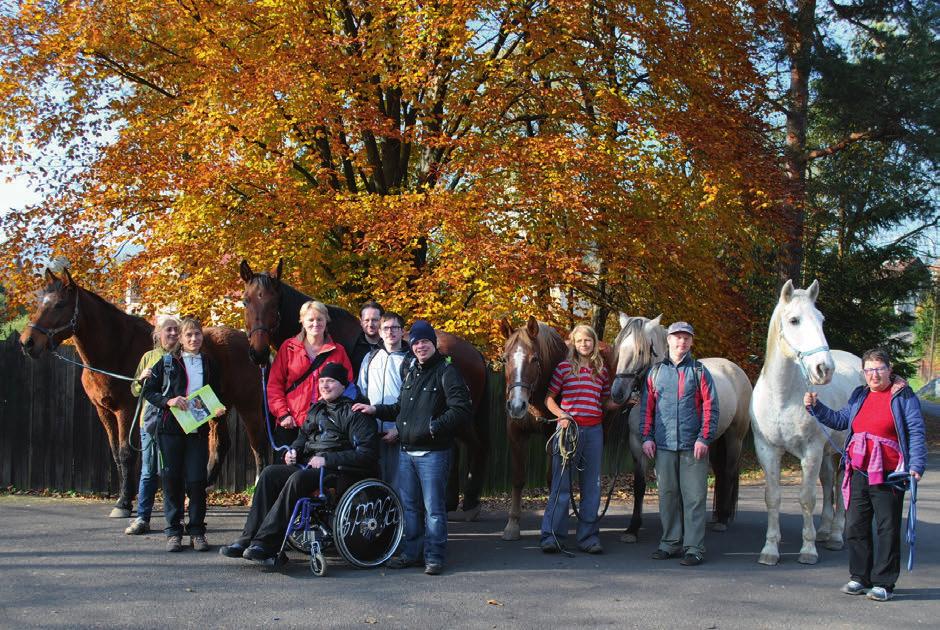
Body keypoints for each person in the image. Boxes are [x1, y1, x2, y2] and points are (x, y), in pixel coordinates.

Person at [219, 363, 379, 563]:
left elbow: (367, 454)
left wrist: (327, 459)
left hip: (338, 471)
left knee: (298, 478)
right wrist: (293, 450)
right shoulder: (316, 410)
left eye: (330, 381)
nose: (325, 386)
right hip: (310, 466)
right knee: (269, 473)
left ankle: (267, 543)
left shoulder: (356, 413)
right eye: (321, 381)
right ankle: (248, 538)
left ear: (343, 385)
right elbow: (302, 438)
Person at [804, 348, 926, 602]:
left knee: (887, 528)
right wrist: (816, 407)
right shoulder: (859, 395)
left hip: (890, 473)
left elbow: (915, 430)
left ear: (889, 370)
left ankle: (884, 583)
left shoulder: (903, 396)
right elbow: (839, 420)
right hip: (859, 469)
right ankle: (860, 577)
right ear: (864, 373)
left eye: (879, 369)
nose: (874, 375)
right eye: (869, 370)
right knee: (856, 525)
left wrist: (916, 464)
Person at [354, 320, 471, 575]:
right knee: (410, 506)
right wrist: (374, 409)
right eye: (416, 342)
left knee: (434, 509)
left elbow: (461, 409)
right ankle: (411, 552)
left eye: (425, 342)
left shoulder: (446, 371)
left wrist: (433, 427)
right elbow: (400, 409)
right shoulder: (412, 372)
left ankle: (434, 556)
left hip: (433, 454)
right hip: (407, 451)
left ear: (433, 344)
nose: (420, 346)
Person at [142, 317, 226, 552]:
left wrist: (218, 409)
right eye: (188, 335)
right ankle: (173, 533)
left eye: (197, 334)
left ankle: (197, 532)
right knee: (172, 482)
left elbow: (216, 394)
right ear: (180, 338)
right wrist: (169, 401)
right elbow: (149, 391)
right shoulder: (167, 362)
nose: (193, 339)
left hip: (197, 432)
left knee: (197, 482)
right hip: (169, 431)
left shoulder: (209, 363)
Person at [640, 321, 718, 566]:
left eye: (686, 338)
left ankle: (694, 547)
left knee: (694, 497)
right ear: (668, 341)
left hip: (692, 446)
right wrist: (647, 437)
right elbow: (647, 409)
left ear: (691, 342)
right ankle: (670, 543)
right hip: (663, 446)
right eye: (677, 337)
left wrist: (704, 438)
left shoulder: (699, 371)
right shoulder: (655, 373)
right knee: (667, 495)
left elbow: (710, 407)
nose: (681, 341)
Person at [540, 324, 612, 555]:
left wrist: (625, 402)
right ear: (573, 343)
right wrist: (562, 415)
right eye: (579, 341)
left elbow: (606, 401)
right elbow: (549, 399)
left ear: (594, 343)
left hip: (594, 433)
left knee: (592, 487)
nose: (584, 344)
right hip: (569, 431)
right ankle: (551, 536)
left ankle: (588, 539)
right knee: (561, 486)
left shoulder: (601, 371)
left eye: (588, 341)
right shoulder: (563, 368)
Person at [266, 301, 353, 462]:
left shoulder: (338, 351)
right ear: (302, 321)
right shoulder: (288, 347)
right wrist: (283, 413)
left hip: (323, 425)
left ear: (326, 321)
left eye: (320, 319)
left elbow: (348, 385)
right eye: (310, 320)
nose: (315, 323)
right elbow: (274, 385)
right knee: (285, 472)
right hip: (291, 422)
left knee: (314, 476)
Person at [125, 316, 180, 536]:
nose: (174, 334)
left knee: (173, 472)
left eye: (177, 330)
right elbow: (134, 391)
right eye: (169, 330)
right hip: (150, 422)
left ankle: (174, 520)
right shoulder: (149, 357)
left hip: (176, 423)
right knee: (148, 471)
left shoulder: (183, 358)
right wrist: (141, 380)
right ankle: (142, 517)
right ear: (158, 334)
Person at [356, 311, 411, 487]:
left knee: (399, 484)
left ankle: (400, 515)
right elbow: (361, 392)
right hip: (372, 431)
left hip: (398, 432)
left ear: (402, 331)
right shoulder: (370, 358)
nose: (390, 332)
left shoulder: (411, 361)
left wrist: (399, 429)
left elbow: (414, 402)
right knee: (375, 481)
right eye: (386, 328)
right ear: (379, 332)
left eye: (395, 327)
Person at [349, 300, 384, 380]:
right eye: (366, 320)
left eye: (375, 320)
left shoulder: (390, 346)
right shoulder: (352, 348)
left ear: (382, 321)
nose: (370, 324)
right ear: (361, 321)